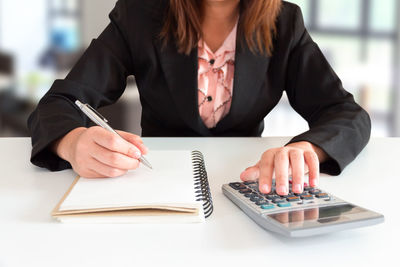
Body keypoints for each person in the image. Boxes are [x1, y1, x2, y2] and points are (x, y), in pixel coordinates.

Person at [28, 0, 371, 196]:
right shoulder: (139, 13)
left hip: (250, 189)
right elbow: (60, 102)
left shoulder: (285, 21)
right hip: (154, 188)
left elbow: (345, 112)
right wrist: (72, 143)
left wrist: (306, 149)